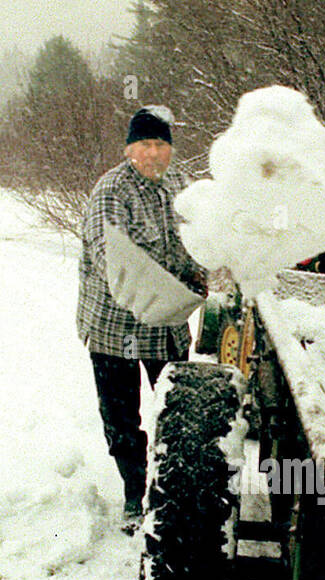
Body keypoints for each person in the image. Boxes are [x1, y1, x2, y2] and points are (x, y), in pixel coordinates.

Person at [77, 105, 208, 523]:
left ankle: (175, 488)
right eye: (145, 145)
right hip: (115, 327)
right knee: (121, 419)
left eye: (161, 144)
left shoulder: (180, 186)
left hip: (165, 327)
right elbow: (109, 255)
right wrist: (165, 286)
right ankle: (135, 490)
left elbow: (197, 240)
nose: (154, 153)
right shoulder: (111, 191)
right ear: (129, 149)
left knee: (180, 411)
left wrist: (205, 271)